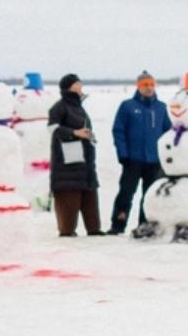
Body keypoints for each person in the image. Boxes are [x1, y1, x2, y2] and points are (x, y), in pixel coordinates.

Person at [108, 70, 172, 234]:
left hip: (154, 161)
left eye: (151, 85)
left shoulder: (161, 108)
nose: (149, 88)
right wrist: (123, 154)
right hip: (132, 159)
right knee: (126, 193)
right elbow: (118, 131)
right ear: (138, 87)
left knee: (149, 195)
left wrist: (167, 156)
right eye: (145, 85)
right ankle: (118, 224)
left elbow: (168, 133)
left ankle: (144, 225)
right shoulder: (127, 106)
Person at [48, 73, 103, 236]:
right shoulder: (59, 106)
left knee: (89, 194)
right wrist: (74, 133)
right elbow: (52, 128)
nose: (81, 86)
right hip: (67, 161)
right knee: (69, 195)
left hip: (85, 159)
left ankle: (94, 228)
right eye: (77, 83)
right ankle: (67, 230)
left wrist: (89, 136)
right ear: (69, 87)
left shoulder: (79, 106)